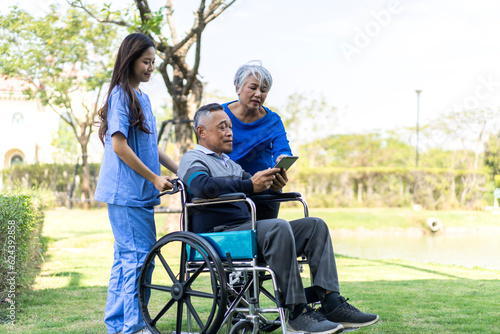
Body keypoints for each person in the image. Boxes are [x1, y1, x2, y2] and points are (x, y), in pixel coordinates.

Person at [177, 103, 379, 334]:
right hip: (219, 235)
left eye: (230, 127)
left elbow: (253, 189)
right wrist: (249, 184)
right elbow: (201, 186)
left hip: (245, 230)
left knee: (315, 226)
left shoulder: (230, 164)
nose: (230, 132)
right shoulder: (192, 158)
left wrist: (273, 187)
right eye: (222, 127)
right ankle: (297, 312)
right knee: (277, 227)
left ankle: (331, 302)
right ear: (202, 132)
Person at [94, 33, 178, 334]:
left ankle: (117, 326)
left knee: (126, 260)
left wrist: (176, 167)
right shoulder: (120, 94)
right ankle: (134, 327)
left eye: (153, 62)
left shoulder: (142, 98)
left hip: (137, 195)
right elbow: (119, 145)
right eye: (146, 61)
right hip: (126, 193)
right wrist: (154, 177)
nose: (151, 67)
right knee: (139, 261)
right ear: (130, 60)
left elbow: (148, 145)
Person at [222, 61, 292, 220]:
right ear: (238, 87)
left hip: (264, 192)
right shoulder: (220, 114)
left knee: (268, 237)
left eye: (264, 90)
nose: (258, 94)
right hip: (229, 191)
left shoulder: (273, 120)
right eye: (253, 88)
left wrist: (282, 161)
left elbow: (283, 150)